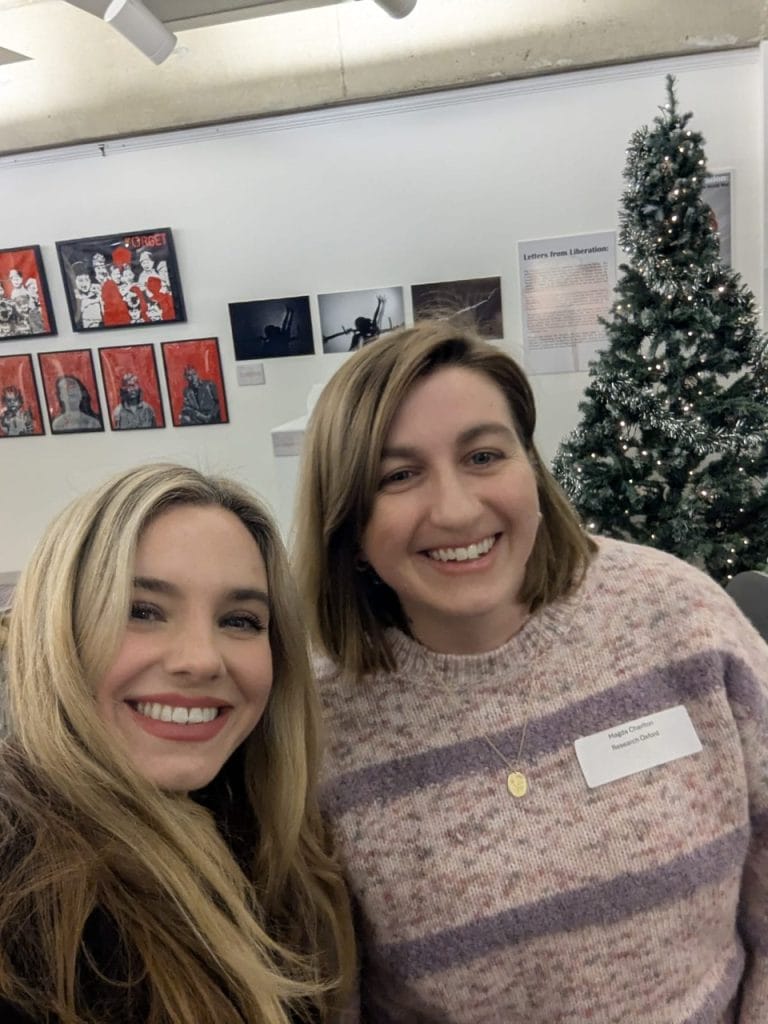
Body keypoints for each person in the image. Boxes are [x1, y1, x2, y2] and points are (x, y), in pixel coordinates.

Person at [293, 319, 768, 1022]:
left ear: (532, 471)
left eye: (484, 456)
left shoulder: (676, 614)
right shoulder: (320, 722)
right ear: (350, 527)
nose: (456, 509)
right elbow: (334, 994)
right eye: (399, 475)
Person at [0, 463, 355, 1023]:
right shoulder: (23, 900)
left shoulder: (257, 836)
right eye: (141, 611)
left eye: (240, 621)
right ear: (59, 629)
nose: (201, 660)